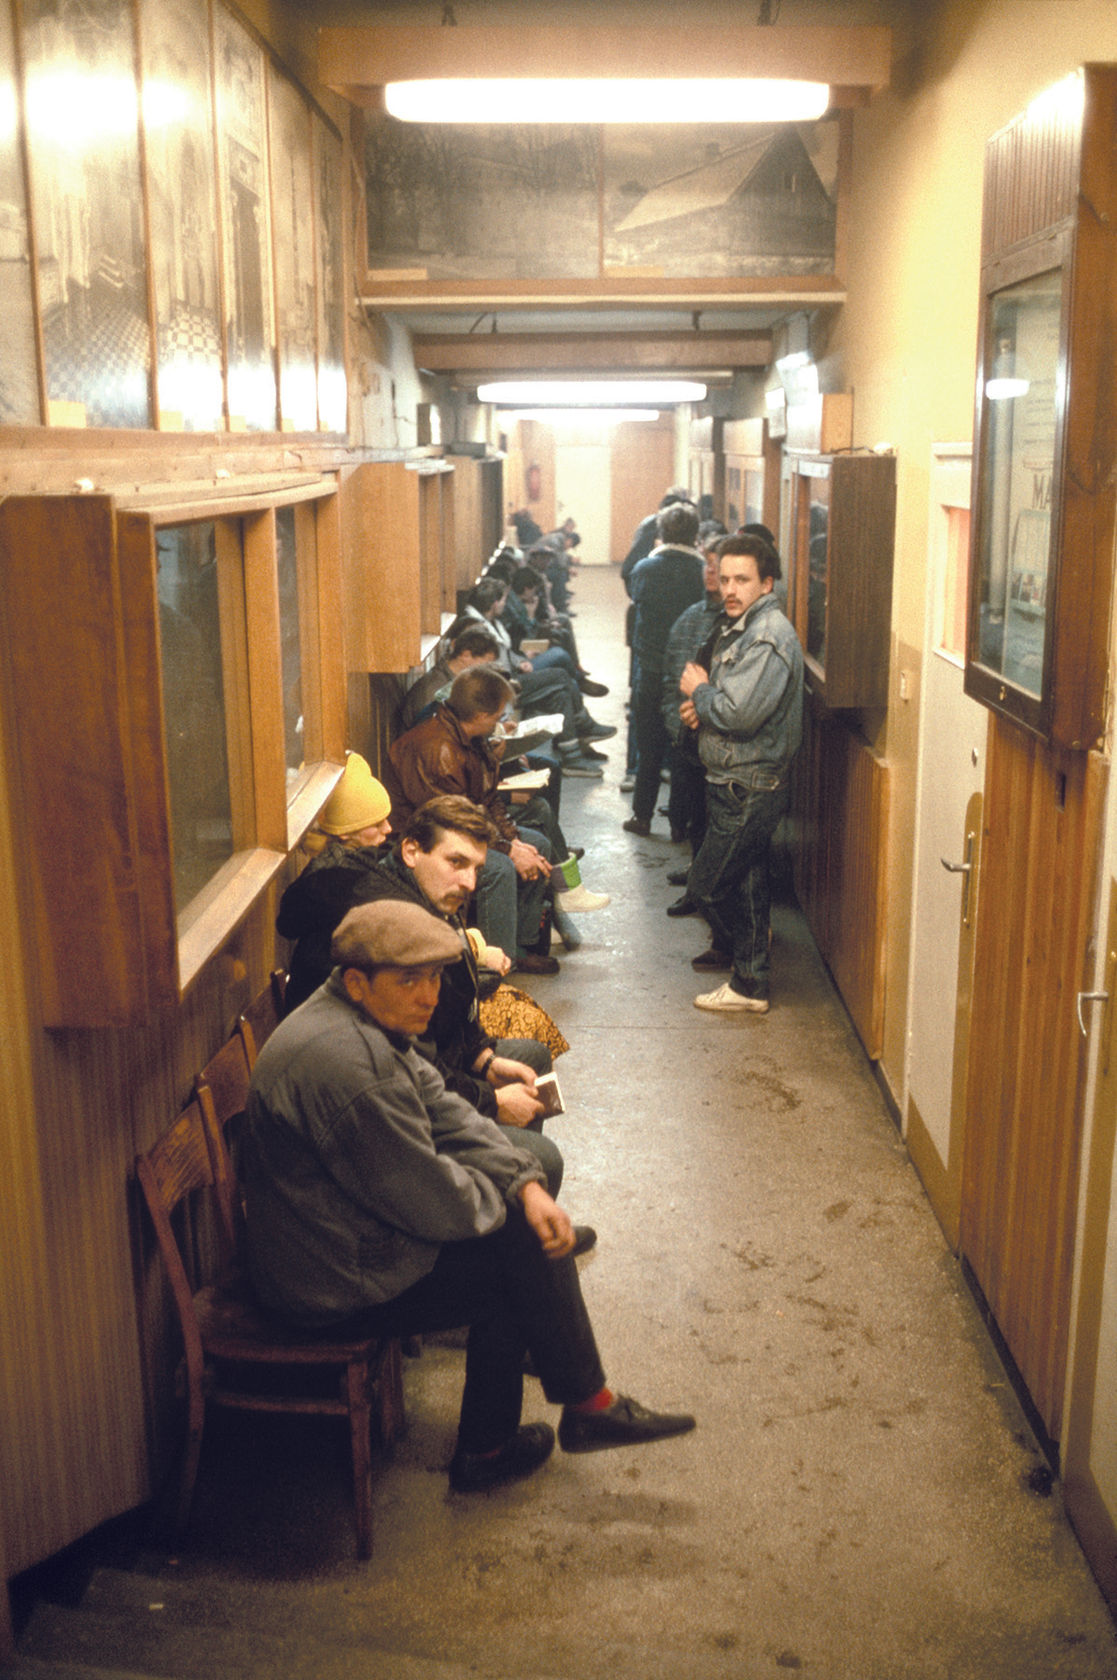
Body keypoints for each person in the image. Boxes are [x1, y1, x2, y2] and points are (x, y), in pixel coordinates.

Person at [242, 899, 696, 1492]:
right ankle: (532, 1430)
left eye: (434, 976)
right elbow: (426, 1198)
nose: (430, 995)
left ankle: (567, 1414)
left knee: (519, 1232)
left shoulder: (363, 1019)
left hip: (333, 1232)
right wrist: (515, 1203)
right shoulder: (350, 1066)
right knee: (516, 1257)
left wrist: (523, 1182)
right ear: (357, 980)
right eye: (410, 979)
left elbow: (445, 1110)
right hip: (323, 1279)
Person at [386, 668, 608, 972]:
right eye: (498, 715)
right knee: (500, 868)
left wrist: (514, 839)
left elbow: (486, 799)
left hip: (458, 826)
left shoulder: (469, 736)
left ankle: (522, 943)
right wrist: (508, 851)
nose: (502, 722)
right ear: (479, 715)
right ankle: (496, 962)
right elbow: (452, 823)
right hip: (428, 838)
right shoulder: (438, 749)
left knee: (538, 844)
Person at [677, 533, 804, 1014]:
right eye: (725, 578)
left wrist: (703, 693)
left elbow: (737, 715)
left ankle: (751, 975)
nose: (730, 589)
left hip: (749, 784)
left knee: (707, 886)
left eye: (742, 580)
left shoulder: (768, 635)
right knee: (748, 881)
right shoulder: (744, 625)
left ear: (766, 582)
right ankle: (750, 985)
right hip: (733, 780)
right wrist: (702, 710)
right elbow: (728, 705)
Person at [275, 752, 393, 1012]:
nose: (388, 829)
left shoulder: (342, 864)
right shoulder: (337, 882)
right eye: (377, 823)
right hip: (330, 1012)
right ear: (345, 833)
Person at [622, 500, 705, 837]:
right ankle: (678, 823)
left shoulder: (644, 569)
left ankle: (642, 815)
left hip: (650, 669)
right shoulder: (701, 573)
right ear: (695, 534)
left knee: (648, 744)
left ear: (661, 533)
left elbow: (635, 596)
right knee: (684, 746)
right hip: (687, 673)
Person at [659, 523, 727, 905]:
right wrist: (680, 725)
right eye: (708, 565)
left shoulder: (740, 627)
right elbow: (672, 681)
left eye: (719, 566)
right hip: (689, 740)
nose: (711, 573)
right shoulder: (689, 619)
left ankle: (708, 886)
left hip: (724, 739)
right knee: (696, 815)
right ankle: (697, 876)